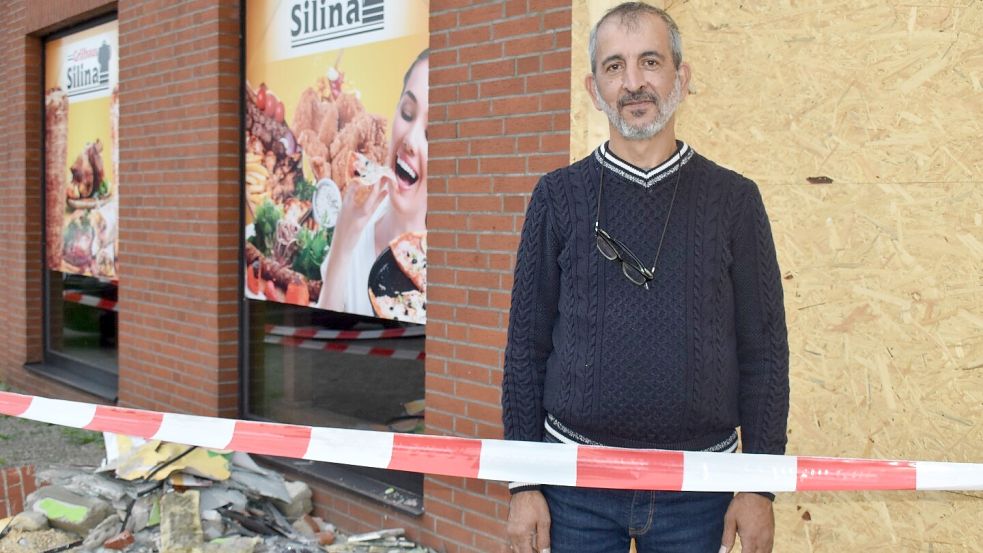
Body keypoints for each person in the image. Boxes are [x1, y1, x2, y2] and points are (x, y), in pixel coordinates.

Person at [501, 3, 789, 553]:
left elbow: (765, 356)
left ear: (681, 77)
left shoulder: (734, 201)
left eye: (650, 62)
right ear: (593, 88)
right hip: (574, 487)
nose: (633, 83)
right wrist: (524, 482)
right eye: (614, 67)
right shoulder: (556, 199)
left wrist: (759, 488)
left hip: (700, 493)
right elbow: (525, 350)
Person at [317, 50, 429, 316]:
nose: (410, 142)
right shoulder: (359, 220)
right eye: (407, 113)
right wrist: (343, 244)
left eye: (431, 133)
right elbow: (322, 332)